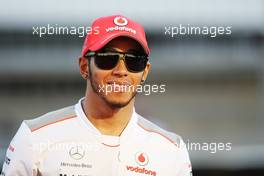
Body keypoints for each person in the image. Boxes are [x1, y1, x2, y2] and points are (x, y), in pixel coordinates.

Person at [1, 15, 192, 176]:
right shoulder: (35, 137)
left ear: (145, 72)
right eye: (108, 58)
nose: (121, 70)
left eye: (134, 61)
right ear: (85, 67)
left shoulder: (171, 149)